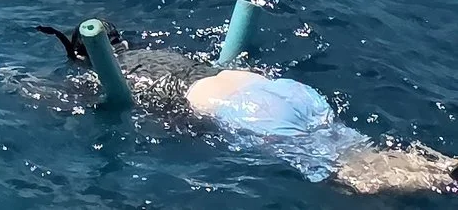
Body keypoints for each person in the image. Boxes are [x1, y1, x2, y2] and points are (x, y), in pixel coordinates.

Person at [36, 24, 458, 195]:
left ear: (82, 55)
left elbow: (67, 104)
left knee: (347, 173)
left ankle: (436, 184)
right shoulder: (157, 51)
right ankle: (440, 167)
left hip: (230, 105)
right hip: (269, 86)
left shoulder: (100, 75)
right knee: (350, 145)